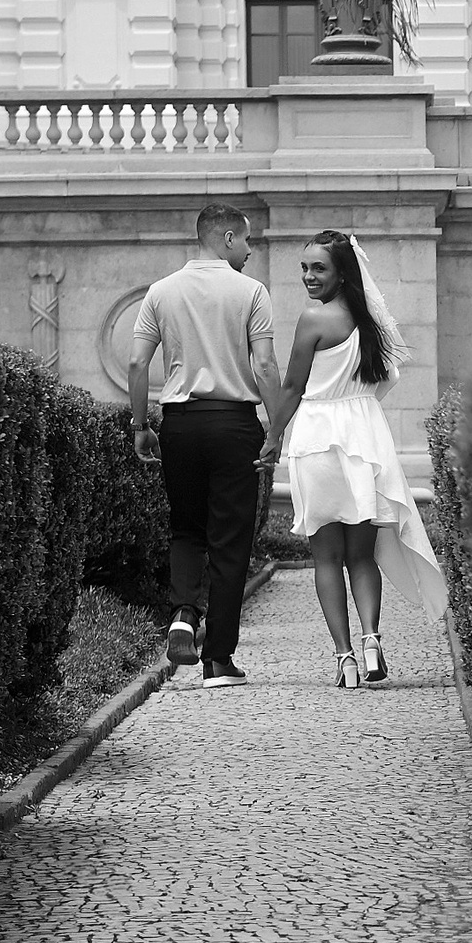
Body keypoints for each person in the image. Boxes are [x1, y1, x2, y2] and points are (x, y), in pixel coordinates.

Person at [262, 231, 447, 688]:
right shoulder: (372, 322)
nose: (308, 276)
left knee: (327, 557)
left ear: (342, 273)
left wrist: (272, 437)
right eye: (304, 268)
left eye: (318, 268)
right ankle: (372, 640)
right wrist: (358, 404)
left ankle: (345, 659)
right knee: (362, 555)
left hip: (319, 439)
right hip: (365, 436)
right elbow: (388, 378)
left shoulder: (314, 319)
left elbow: (292, 387)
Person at [129, 203, 285, 688]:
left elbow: (137, 364)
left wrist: (141, 425)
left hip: (180, 424)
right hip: (234, 424)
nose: (250, 250)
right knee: (230, 541)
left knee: (186, 528)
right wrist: (276, 430)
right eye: (247, 240)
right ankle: (218, 660)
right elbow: (264, 366)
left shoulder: (161, 291)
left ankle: (182, 614)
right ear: (227, 238)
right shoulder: (251, 292)